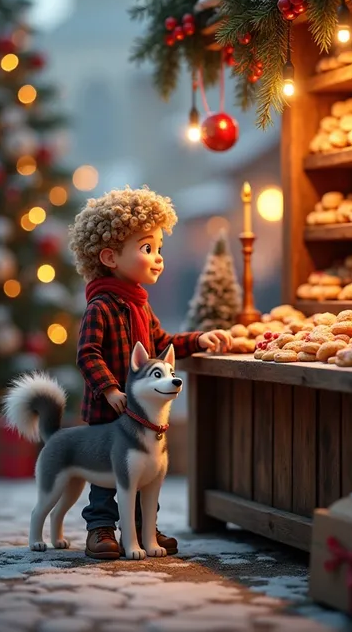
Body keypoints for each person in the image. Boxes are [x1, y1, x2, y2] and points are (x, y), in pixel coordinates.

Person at [69, 186, 232, 559]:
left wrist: (199, 339)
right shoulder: (102, 307)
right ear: (109, 256)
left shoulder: (140, 306)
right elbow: (87, 354)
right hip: (108, 415)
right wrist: (109, 390)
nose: (158, 258)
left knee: (146, 474)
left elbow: (161, 342)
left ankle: (145, 528)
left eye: (159, 249)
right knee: (106, 478)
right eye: (147, 249)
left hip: (142, 418)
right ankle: (101, 528)